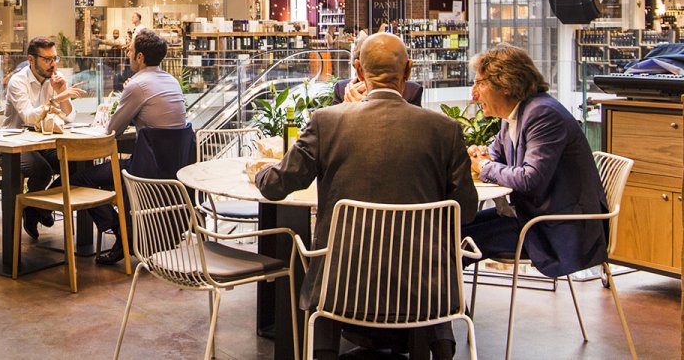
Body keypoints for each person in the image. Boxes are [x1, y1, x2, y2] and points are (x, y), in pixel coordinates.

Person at [254, 33, 477, 360]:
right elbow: (466, 210)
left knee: (324, 254)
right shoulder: (445, 129)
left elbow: (276, 186)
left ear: (358, 71)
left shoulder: (327, 122)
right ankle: (440, 345)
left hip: (342, 283)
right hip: (422, 284)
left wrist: (258, 171)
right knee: (435, 256)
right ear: (409, 69)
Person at [464, 44, 609, 279]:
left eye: (480, 83)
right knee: (451, 230)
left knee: (454, 241)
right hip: (533, 216)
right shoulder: (515, 114)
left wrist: (485, 166)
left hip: (558, 229)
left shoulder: (543, 114)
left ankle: (444, 309)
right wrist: (483, 157)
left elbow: (529, 178)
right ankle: (445, 307)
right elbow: (495, 156)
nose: (474, 93)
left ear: (506, 84)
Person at [75, 30, 188, 265]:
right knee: (109, 172)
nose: (127, 53)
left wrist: (129, 93)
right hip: (174, 170)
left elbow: (112, 131)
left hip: (145, 170)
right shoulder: (172, 81)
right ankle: (127, 233)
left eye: (129, 50)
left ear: (140, 57)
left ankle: (121, 233)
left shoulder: (137, 85)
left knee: (80, 179)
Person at [3, 36, 86, 239]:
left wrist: (62, 91)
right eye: (47, 59)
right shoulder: (18, 82)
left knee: (75, 164)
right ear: (31, 60)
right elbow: (28, 118)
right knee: (42, 170)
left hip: (41, 142)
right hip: (14, 145)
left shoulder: (53, 81)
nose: (53, 64)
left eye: (54, 58)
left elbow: (69, 118)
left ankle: (35, 208)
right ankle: (35, 207)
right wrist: (55, 98)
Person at [333, 33, 423, 106]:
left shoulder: (412, 91)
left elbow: (413, 122)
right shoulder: (341, 89)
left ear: (358, 69)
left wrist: (364, 108)